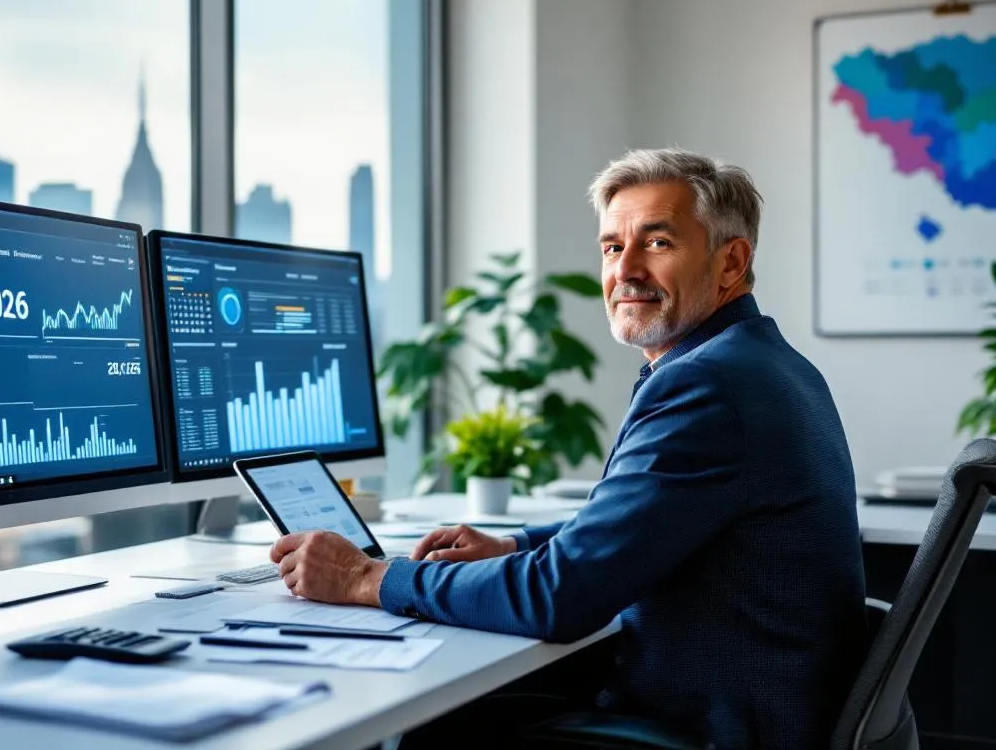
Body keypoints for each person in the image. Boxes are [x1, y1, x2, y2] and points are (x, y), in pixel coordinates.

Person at [269, 148, 867, 748]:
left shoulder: (706, 384)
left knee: (425, 728)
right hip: (753, 707)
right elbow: (649, 522)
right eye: (612, 247)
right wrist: (514, 545)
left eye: (657, 243)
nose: (625, 270)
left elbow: (559, 597)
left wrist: (366, 577)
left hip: (719, 729)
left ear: (730, 261)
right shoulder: (765, 363)